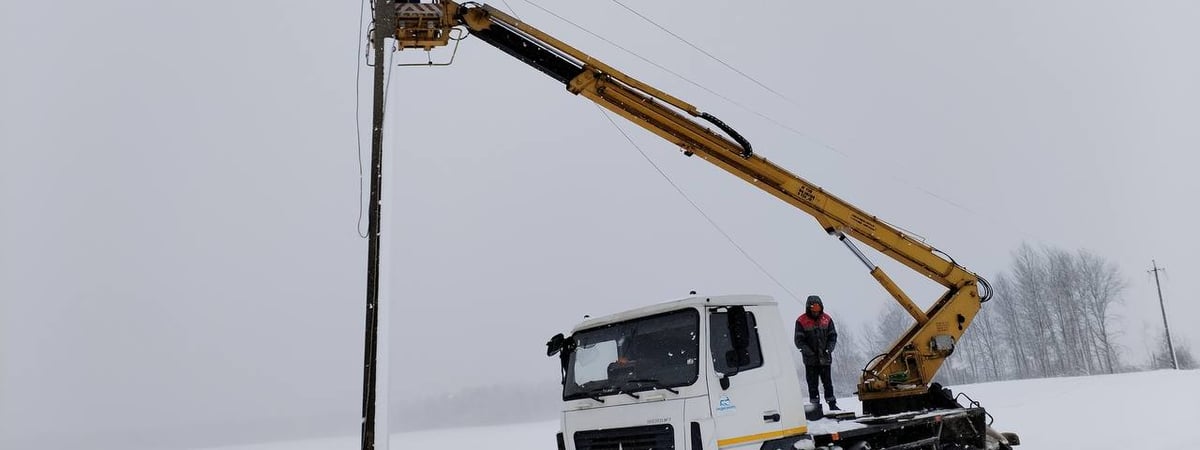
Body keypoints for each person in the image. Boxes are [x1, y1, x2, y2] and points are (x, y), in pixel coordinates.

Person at [795, 295, 839, 410]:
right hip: (810, 361)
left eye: (818, 308)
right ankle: (815, 406)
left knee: (828, 383)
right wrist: (809, 352)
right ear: (809, 308)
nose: (816, 311)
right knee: (812, 384)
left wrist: (829, 349)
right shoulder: (801, 321)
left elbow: (832, 336)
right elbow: (799, 340)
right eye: (813, 308)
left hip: (825, 359)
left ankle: (832, 404)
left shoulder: (827, 319)